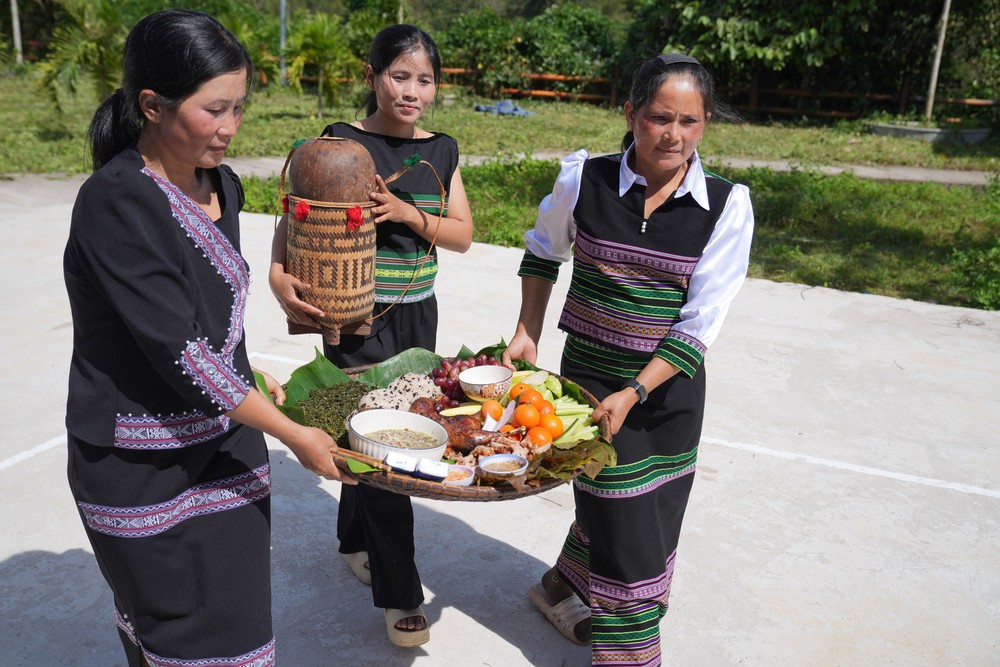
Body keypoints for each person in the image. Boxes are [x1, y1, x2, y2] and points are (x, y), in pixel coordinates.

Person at [63, 10, 356, 667]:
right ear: (152, 106)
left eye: (239, 107)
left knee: (238, 628)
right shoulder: (117, 202)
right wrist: (294, 432)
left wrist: (250, 375)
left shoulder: (222, 184)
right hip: (141, 462)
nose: (231, 126)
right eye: (214, 109)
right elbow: (182, 353)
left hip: (225, 444)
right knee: (176, 633)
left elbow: (214, 320)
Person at [502, 53, 754, 665]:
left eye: (690, 121)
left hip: (667, 394)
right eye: (659, 117)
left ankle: (559, 586)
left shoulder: (726, 206)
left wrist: (637, 391)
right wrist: (527, 331)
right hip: (589, 388)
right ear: (630, 113)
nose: (673, 135)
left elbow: (701, 322)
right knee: (629, 535)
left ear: (706, 123)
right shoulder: (584, 180)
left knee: (651, 514)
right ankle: (631, 655)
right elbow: (543, 251)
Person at [269, 24, 473, 647]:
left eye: (425, 80)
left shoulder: (442, 151)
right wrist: (278, 277)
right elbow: (293, 219)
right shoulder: (339, 144)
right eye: (399, 76)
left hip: (418, 315)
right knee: (388, 448)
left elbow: (462, 235)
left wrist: (407, 213)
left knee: (369, 433)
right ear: (372, 75)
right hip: (353, 314)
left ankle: (351, 538)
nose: (412, 91)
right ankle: (401, 592)